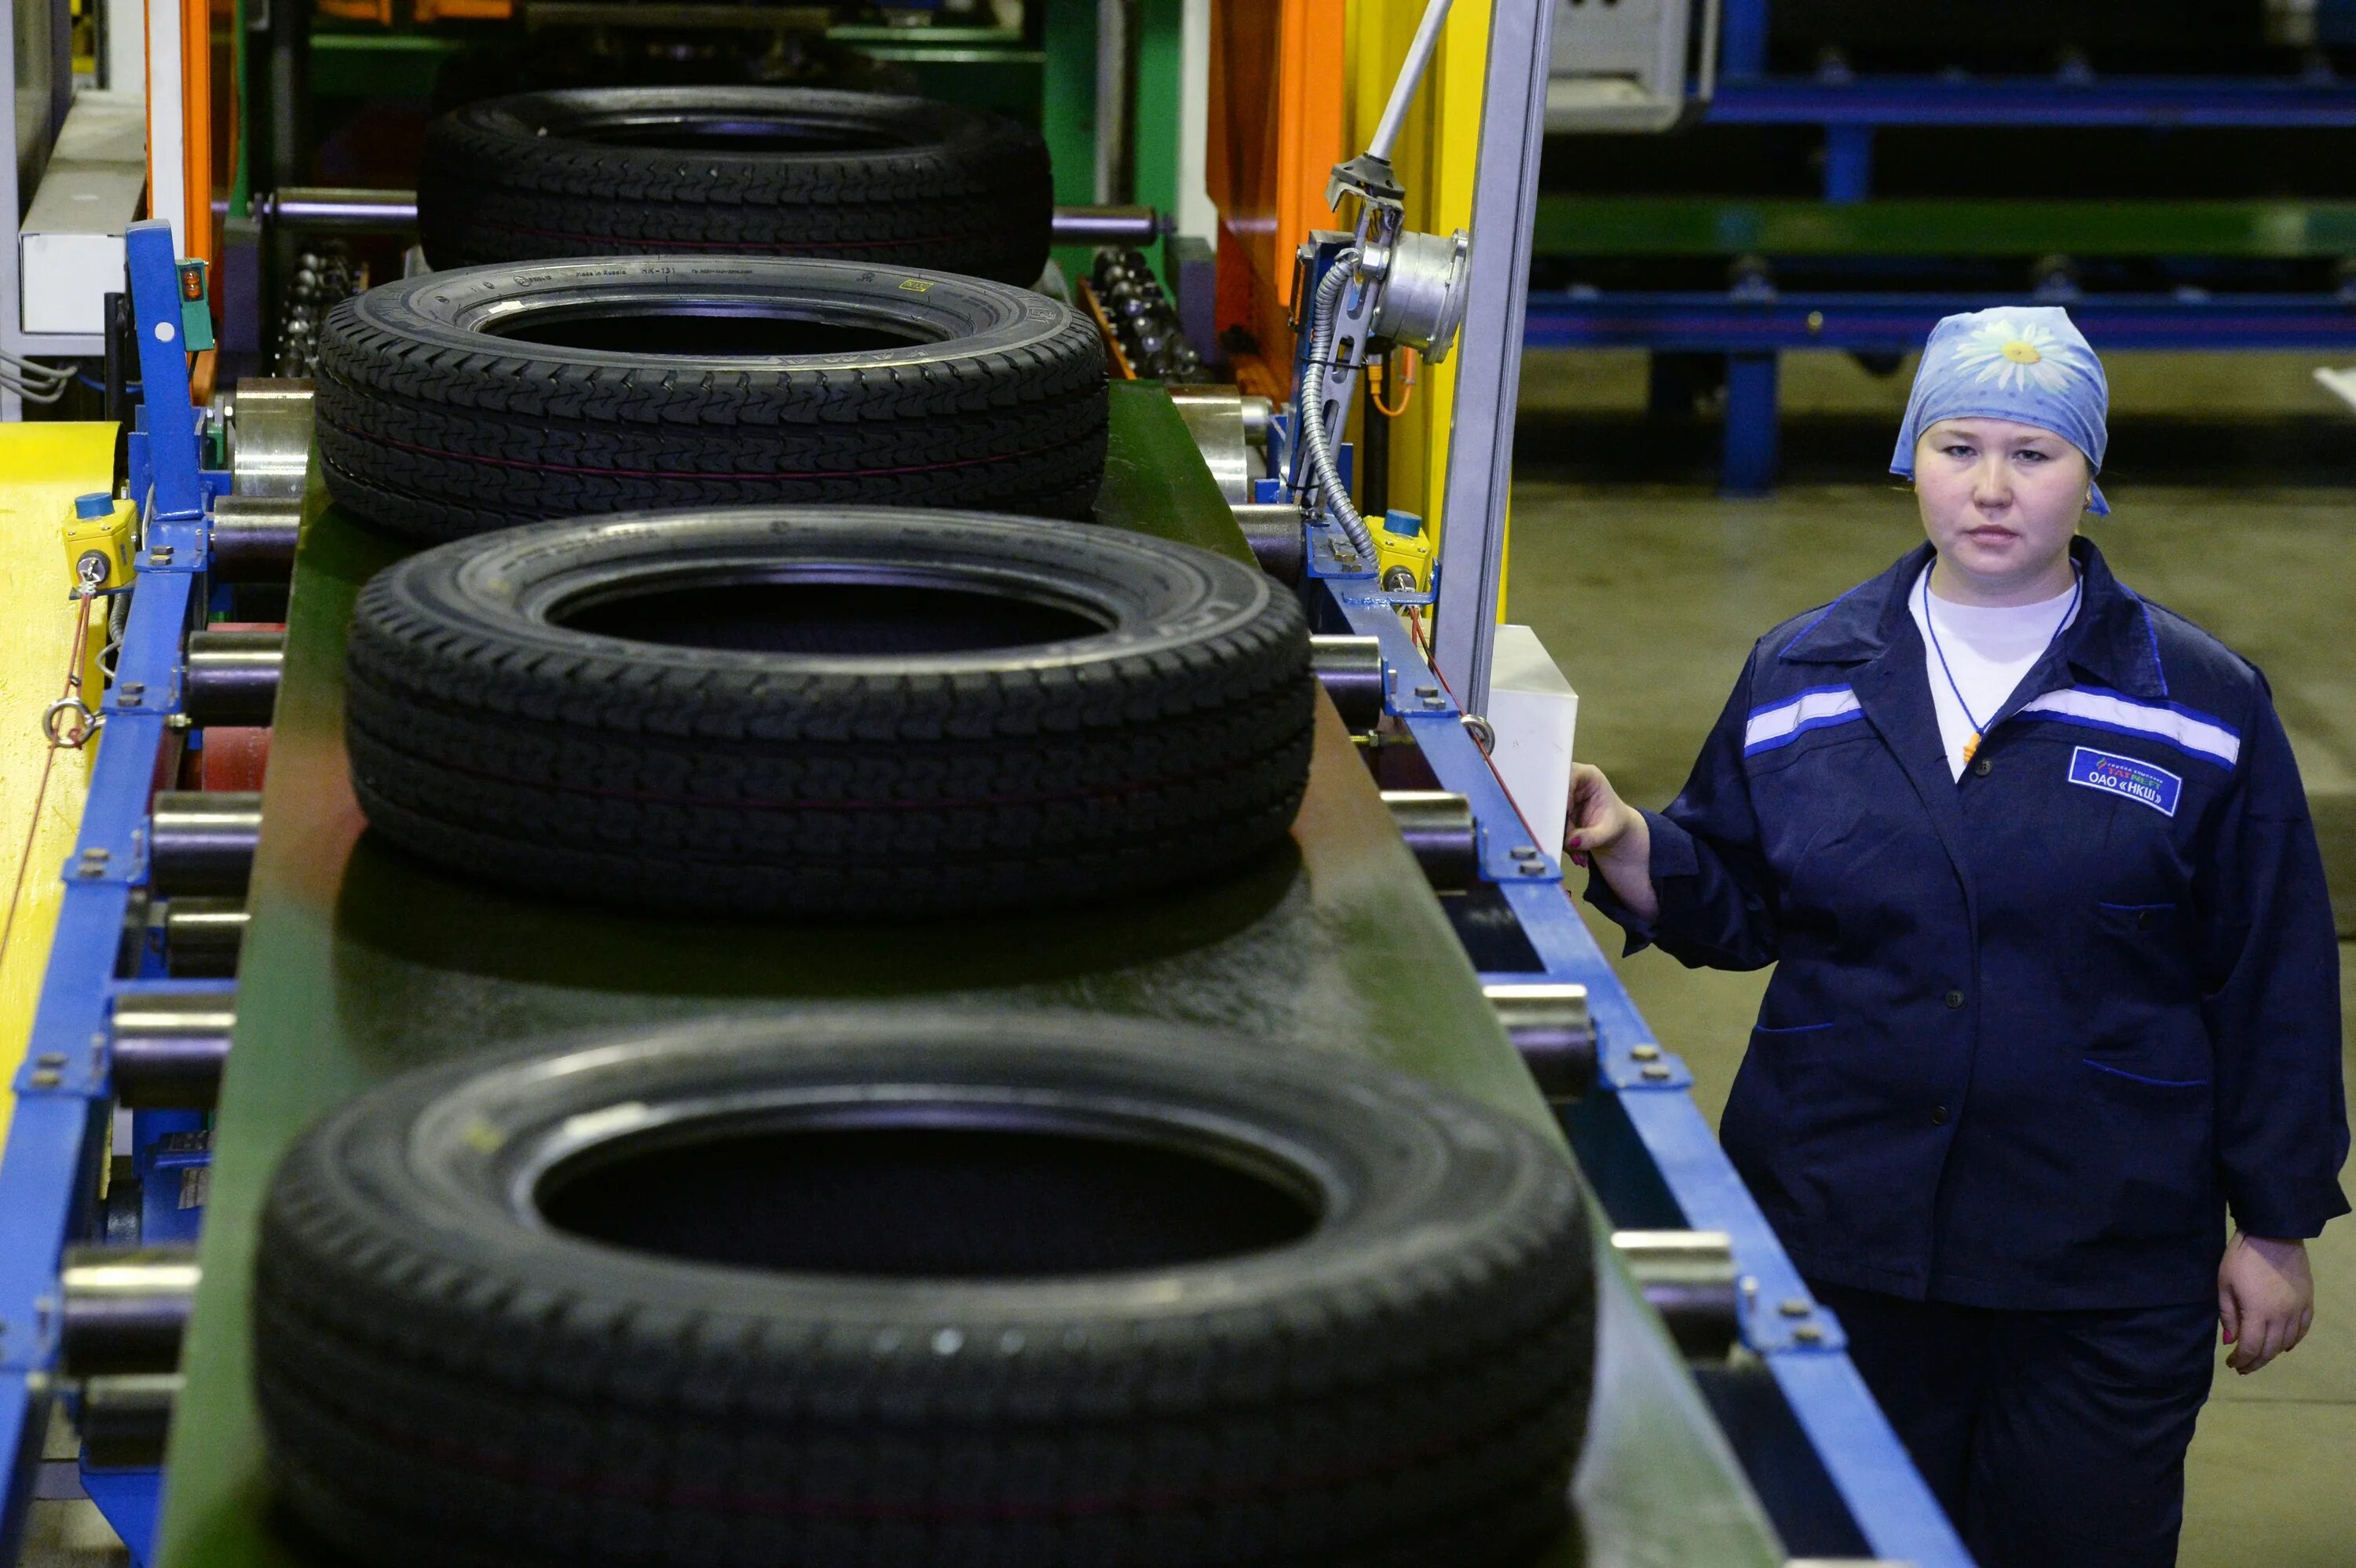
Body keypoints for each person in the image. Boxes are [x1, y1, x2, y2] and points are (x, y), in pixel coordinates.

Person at [1565, 306, 2349, 1568]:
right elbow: (1742, 896)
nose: (1990, 488)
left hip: (2099, 1258)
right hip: (1842, 1231)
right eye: (1956, 445)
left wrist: (2275, 1227)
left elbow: (2275, 977)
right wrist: (1627, 842)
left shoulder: (2199, 701)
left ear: (2091, 475)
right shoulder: (1804, 670)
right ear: (1909, 457)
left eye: (2034, 455)